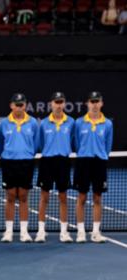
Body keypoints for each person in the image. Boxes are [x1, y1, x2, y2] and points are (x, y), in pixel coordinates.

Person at [0, 93, 39, 243]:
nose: (19, 107)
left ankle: (24, 232)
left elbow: (36, 143)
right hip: (9, 162)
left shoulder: (33, 123)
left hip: (26, 162)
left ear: (25, 105)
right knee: (10, 197)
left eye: (22, 104)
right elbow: (0, 144)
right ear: (11, 106)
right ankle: (8, 232)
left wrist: (27, 153)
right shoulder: (3, 123)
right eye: (17, 104)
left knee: (23, 196)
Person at [34, 92, 75, 243]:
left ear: (64, 104)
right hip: (47, 162)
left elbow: (72, 140)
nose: (58, 105)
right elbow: (40, 143)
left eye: (61, 102)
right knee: (44, 197)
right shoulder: (43, 123)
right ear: (51, 104)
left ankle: (64, 232)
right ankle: (40, 231)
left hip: (63, 162)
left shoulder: (71, 122)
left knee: (63, 197)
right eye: (56, 102)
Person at [73, 91, 113, 243]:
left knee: (97, 198)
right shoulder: (79, 122)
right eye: (92, 101)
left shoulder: (108, 124)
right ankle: (81, 232)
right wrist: (84, 153)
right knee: (81, 197)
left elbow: (108, 145)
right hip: (83, 161)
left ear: (101, 103)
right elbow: (77, 143)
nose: (95, 104)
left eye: (97, 101)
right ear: (87, 103)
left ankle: (96, 232)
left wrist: (101, 155)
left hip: (99, 163)